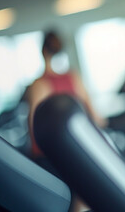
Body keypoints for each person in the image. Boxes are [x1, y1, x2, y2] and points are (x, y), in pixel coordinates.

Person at [27, 30, 106, 212]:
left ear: (43, 51)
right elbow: (97, 119)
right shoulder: (73, 78)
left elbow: (34, 131)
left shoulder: (39, 84)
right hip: (71, 154)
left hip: (55, 156)